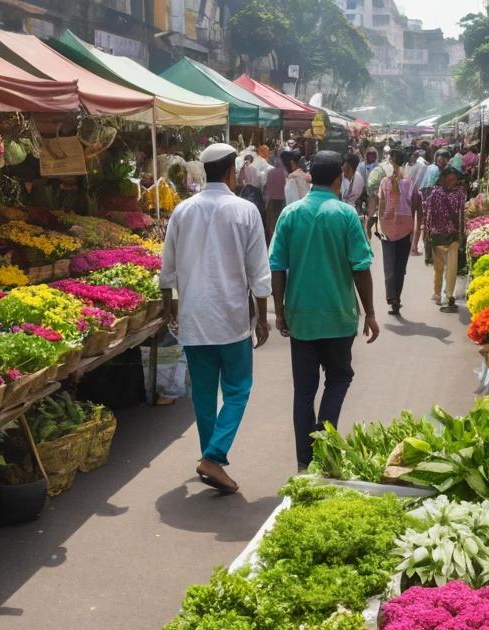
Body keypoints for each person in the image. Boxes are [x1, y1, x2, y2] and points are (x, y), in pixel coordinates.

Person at [160, 143, 272, 495]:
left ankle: (211, 458)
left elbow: (168, 267)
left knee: (205, 396)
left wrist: (169, 306)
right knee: (238, 389)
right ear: (229, 172)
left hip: (194, 316)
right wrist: (264, 317)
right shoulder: (245, 211)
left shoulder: (182, 211)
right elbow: (259, 270)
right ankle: (213, 456)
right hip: (231, 317)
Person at [270, 151, 379, 470]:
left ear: (309, 178)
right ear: (338, 179)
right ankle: (323, 438)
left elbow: (277, 266)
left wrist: (279, 311)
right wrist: (370, 312)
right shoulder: (346, 215)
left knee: (304, 391)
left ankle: (305, 462)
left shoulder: (289, 215)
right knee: (339, 378)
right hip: (339, 316)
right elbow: (361, 267)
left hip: (301, 317)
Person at [375, 149, 421, 316]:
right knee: (400, 267)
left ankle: (392, 297)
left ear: (391, 162)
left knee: (389, 266)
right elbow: (416, 208)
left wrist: (379, 224)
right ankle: (396, 299)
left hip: (387, 228)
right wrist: (415, 235)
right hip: (405, 229)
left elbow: (380, 205)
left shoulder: (384, 182)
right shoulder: (411, 183)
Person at [421, 166, 468, 313]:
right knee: (439, 268)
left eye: (454, 179)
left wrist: (461, 231)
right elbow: (428, 213)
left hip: (452, 234)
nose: (452, 182)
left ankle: (448, 296)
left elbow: (462, 213)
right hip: (437, 235)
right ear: (442, 179)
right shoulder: (434, 194)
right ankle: (437, 293)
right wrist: (427, 232)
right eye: (449, 179)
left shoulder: (460, 194)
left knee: (452, 267)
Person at [262, 151, 288, 241]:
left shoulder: (270, 173)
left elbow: (266, 188)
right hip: (283, 202)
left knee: (272, 224)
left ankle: (273, 241)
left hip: (272, 201)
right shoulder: (285, 173)